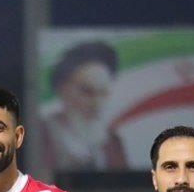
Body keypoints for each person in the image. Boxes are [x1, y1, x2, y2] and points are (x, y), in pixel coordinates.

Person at [38, 41, 128, 171]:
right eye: (87, 92)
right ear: (62, 89)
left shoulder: (112, 141)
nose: (97, 103)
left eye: (103, 93)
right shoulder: (41, 134)